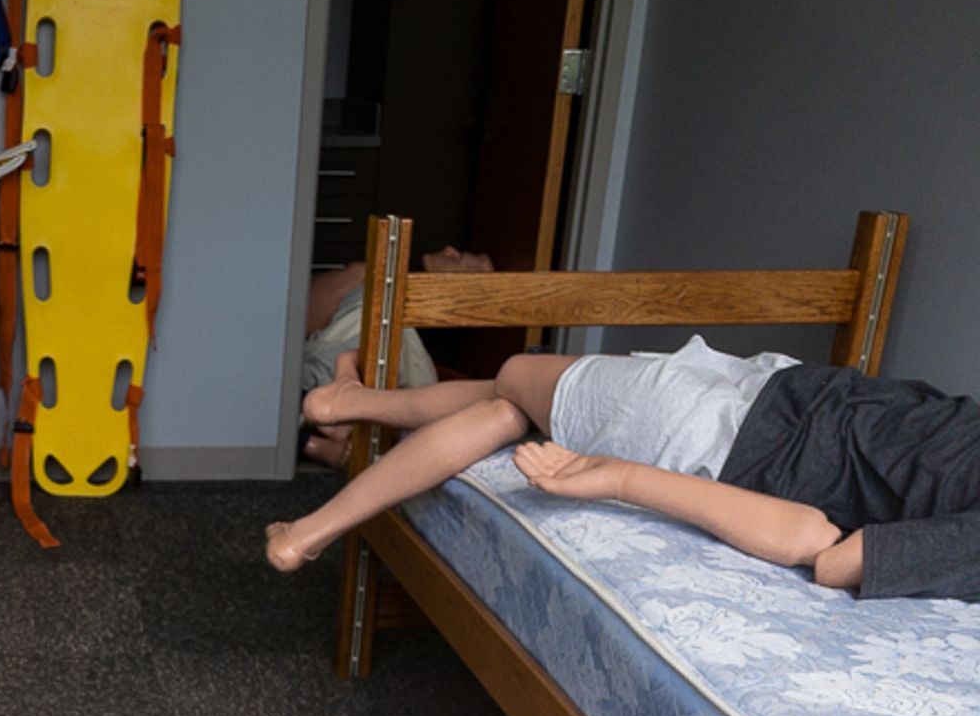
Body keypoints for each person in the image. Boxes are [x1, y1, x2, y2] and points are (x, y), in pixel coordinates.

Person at [265, 337, 980, 603]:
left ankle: (311, 522)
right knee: (516, 400)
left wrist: (619, 476)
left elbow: (837, 558)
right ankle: (346, 406)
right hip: (774, 399)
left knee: (514, 386)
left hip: (736, 439)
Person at [299, 246, 493, 467]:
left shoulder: (416, 359)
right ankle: (312, 432)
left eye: (472, 260)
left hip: (335, 371)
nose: (450, 251)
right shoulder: (367, 280)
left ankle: (313, 429)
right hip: (329, 354)